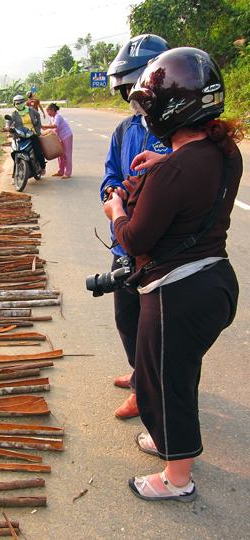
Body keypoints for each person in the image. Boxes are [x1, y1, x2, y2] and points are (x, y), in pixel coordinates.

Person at [103, 46, 243, 501]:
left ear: (169, 109)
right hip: (215, 283)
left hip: (175, 295)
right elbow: (195, 170)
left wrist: (117, 207)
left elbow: (134, 240)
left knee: (167, 385)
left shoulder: (175, 171)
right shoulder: (226, 153)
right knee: (176, 372)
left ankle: (177, 478)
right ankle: (166, 443)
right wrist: (166, 163)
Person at [100, 34, 171, 419]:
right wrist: (112, 191)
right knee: (126, 316)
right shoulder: (125, 130)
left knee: (153, 327)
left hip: (161, 249)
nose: (131, 96)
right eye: (126, 90)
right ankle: (140, 373)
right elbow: (111, 171)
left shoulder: (178, 129)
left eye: (136, 87)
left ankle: (149, 390)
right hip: (124, 241)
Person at [5, 94, 46, 175]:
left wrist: (38, 127)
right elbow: (10, 121)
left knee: (38, 152)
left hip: (32, 134)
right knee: (15, 153)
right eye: (17, 103)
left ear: (24, 102)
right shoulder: (15, 113)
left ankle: (42, 166)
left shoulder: (30, 110)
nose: (20, 104)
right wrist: (7, 126)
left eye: (21, 102)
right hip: (19, 135)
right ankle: (16, 174)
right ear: (14, 105)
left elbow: (37, 115)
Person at [42, 103, 73, 179]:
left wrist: (43, 126)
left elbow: (55, 126)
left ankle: (68, 172)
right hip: (60, 137)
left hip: (66, 136)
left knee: (67, 154)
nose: (48, 113)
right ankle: (61, 171)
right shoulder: (52, 118)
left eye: (48, 111)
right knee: (60, 154)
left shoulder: (58, 116)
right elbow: (49, 129)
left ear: (53, 110)